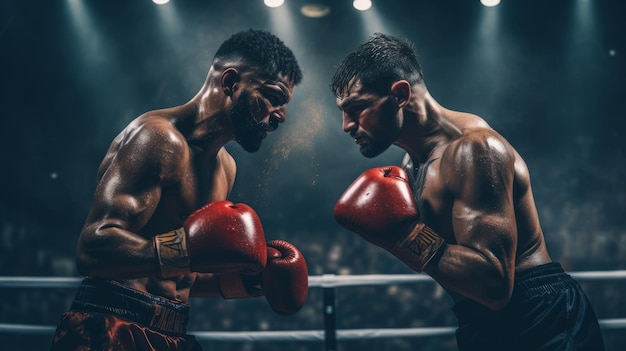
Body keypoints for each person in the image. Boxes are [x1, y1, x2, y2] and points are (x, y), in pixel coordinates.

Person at [331, 33, 604, 351]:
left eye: (356, 108)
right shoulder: (411, 163)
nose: (346, 125)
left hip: (541, 318)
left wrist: (400, 236)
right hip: (479, 322)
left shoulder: (474, 150)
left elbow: (494, 285)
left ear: (400, 95)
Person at [50, 29, 308, 351]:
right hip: (110, 324)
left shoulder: (226, 168)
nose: (281, 116)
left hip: (173, 331)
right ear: (230, 82)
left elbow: (182, 271)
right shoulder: (158, 139)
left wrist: (244, 281)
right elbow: (93, 249)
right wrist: (184, 249)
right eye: (273, 96)